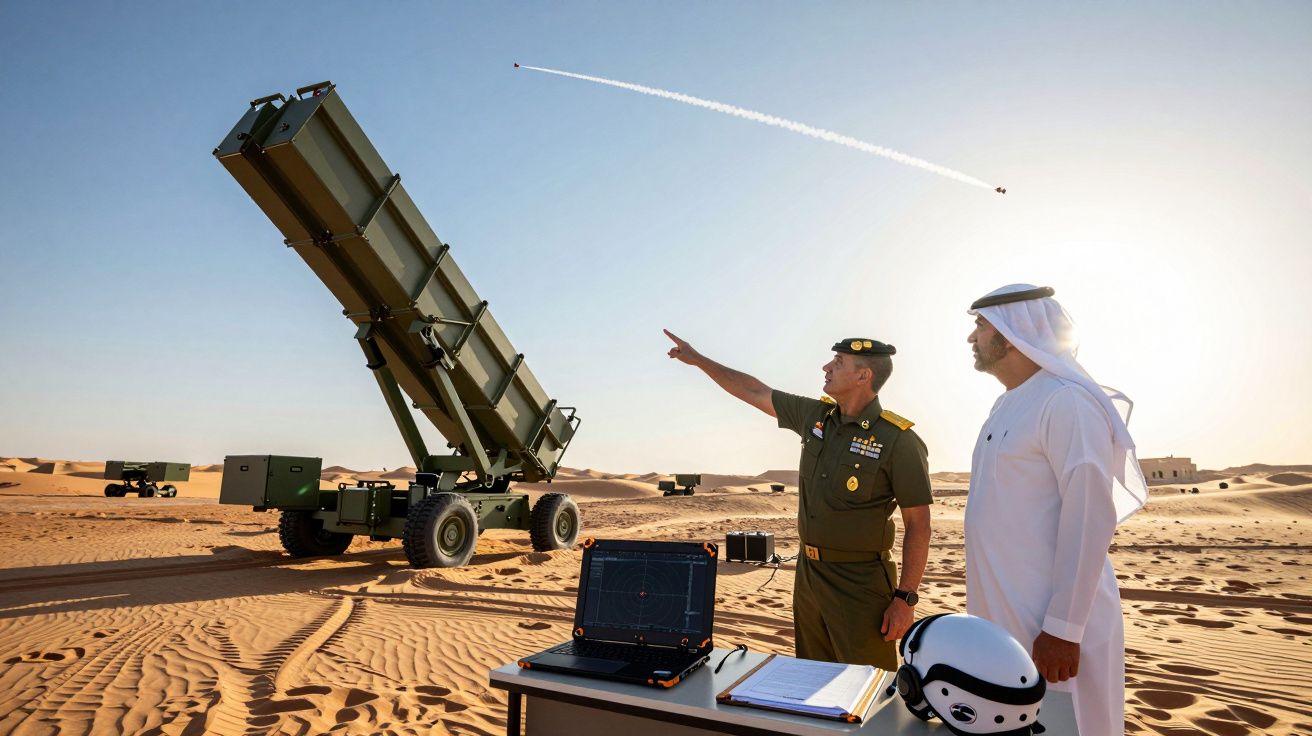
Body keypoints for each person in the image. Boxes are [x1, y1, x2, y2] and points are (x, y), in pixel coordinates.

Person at [664, 330, 932, 670]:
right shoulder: (815, 417)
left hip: (861, 582)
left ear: (864, 375)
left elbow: (919, 526)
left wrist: (905, 599)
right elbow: (755, 390)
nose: (826, 367)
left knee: (868, 684)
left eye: (838, 362)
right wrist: (699, 360)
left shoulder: (898, 441)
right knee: (811, 677)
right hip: (809, 576)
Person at [964, 285, 1148, 736]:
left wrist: (1064, 628)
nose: (972, 338)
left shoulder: (1066, 400)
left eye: (981, 326)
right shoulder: (1007, 403)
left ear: (1009, 334)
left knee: (1074, 726)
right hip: (1002, 615)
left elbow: (1089, 515)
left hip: (1054, 625)